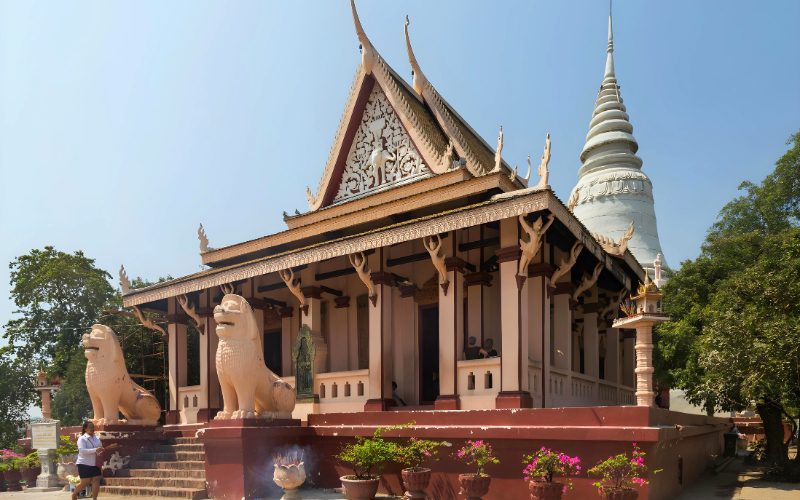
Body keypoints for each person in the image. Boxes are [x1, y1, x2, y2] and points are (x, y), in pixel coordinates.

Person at [73, 420, 116, 500]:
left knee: (96, 480)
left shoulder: (96, 438)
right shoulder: (82, 439)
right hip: (84, 463)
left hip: (95, 463)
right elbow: (82, 451)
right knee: (85, 482)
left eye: (93, 427)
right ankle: (74, 493)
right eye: (90, 427)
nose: (92, 429)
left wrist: (101, 450)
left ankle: (95, 498)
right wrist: (95, 450)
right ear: (85, 429)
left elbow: (99, 449)